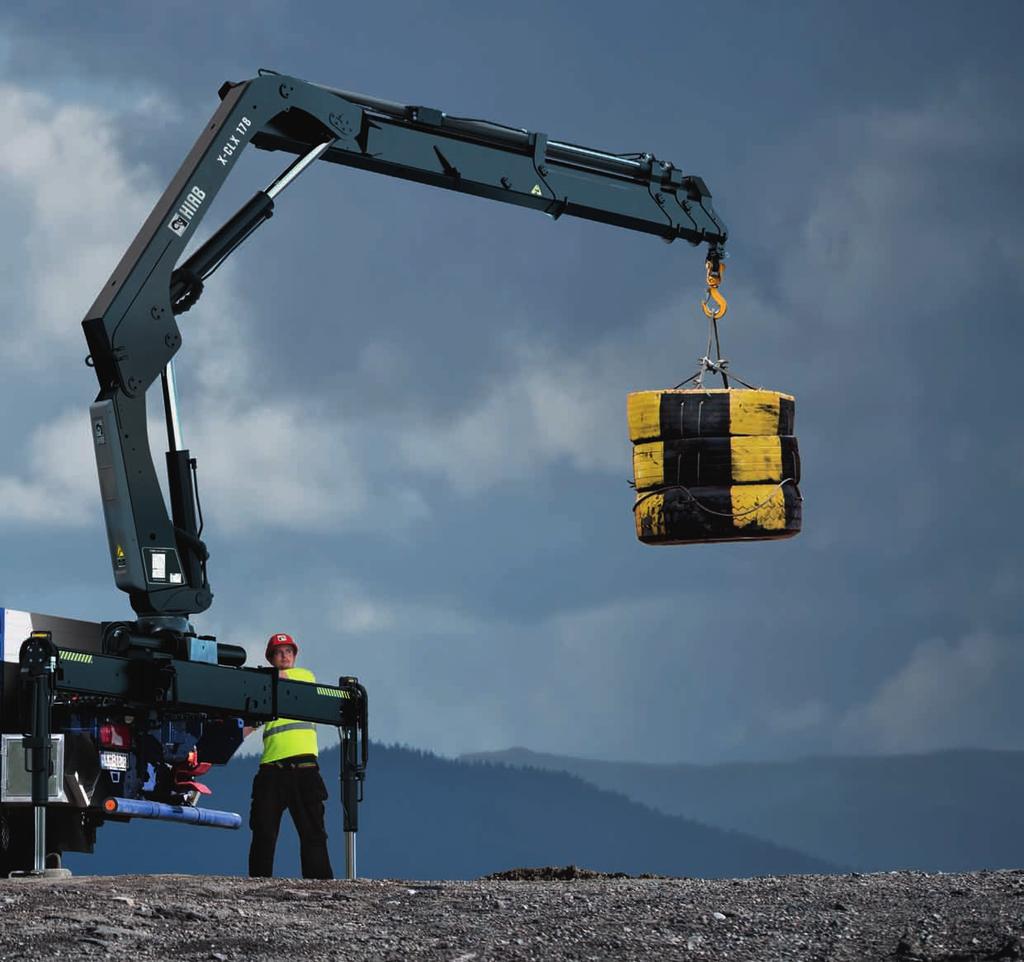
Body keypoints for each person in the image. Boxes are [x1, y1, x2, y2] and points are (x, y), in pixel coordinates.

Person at [246, 633, 334, 879]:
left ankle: (319, 886)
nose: (284, 655)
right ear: (271, 658)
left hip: (304, 769)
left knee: (313, 833)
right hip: (272, 770)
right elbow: (246, 726)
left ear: (295, 657)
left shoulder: (304, 677)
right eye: (278, 652)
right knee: (263, 831)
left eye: (288, 651)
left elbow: (280, 679)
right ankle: (258, 883)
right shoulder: (265, 695)